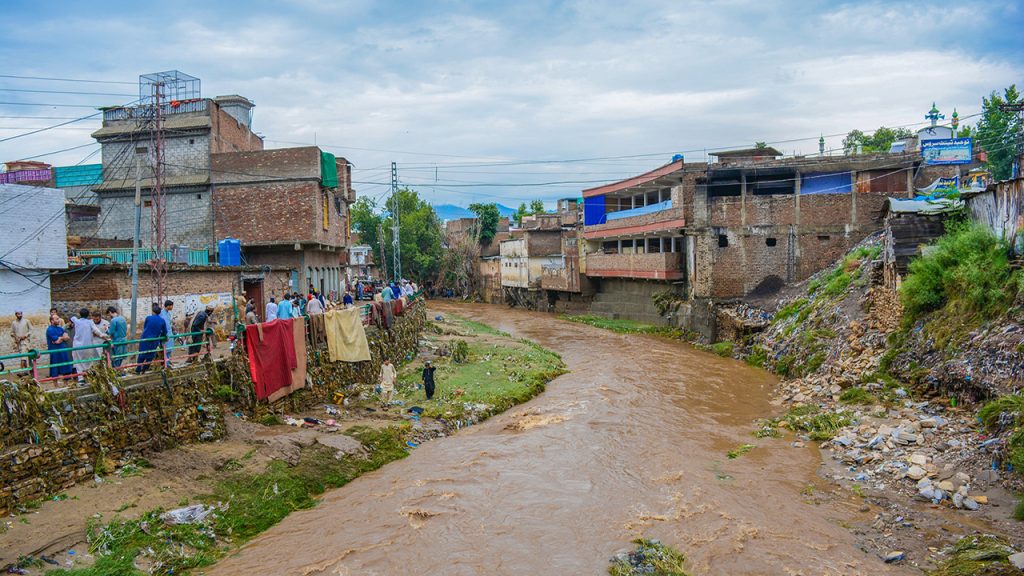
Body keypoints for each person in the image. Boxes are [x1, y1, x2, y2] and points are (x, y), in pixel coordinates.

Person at [70, 308, 102, 382]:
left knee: (78, 362)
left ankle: (81, 379)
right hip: (88, 346)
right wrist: (106, 337)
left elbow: (71, 317)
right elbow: (97, 332)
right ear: (88, 315)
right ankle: (89, 377)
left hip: (77, 346)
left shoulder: (76, 321)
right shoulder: (90, 322)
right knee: (89, 361)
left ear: (80, 314)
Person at [136, 303, 168, 374]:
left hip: (145, 339)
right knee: (150, 356)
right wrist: (163, 337)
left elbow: (145, 327)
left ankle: (138, 369)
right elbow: (165, 331)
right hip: (154, 340)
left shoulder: (148, 318)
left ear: (153, 312)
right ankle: (144, 369)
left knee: (142, 354)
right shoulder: (162, 320)